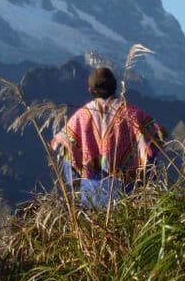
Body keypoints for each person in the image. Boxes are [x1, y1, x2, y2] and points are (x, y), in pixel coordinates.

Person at [50, 66, 165, 208]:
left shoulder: (80, 117)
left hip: (90, 197)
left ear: (90, 90)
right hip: (128, 197)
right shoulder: (133, 114)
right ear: (115, 87)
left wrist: (75, 186)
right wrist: (145, 183)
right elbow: (154, 141)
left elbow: (64, 148)